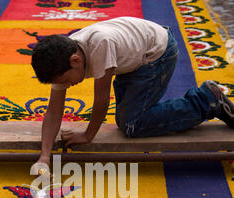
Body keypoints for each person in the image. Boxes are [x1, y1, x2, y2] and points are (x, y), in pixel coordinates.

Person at [31, 16, 234, 172]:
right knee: (126, 119)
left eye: (66, 81)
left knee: (132, 124)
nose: (67, 86)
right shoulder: (62, 58)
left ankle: (206, 101)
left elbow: (101, 100)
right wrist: (44, 156)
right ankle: (201, 101)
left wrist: (88, 135)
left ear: (76, 60)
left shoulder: (100, 45)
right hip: (131, 57)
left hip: (156, 54)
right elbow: (53, 111)